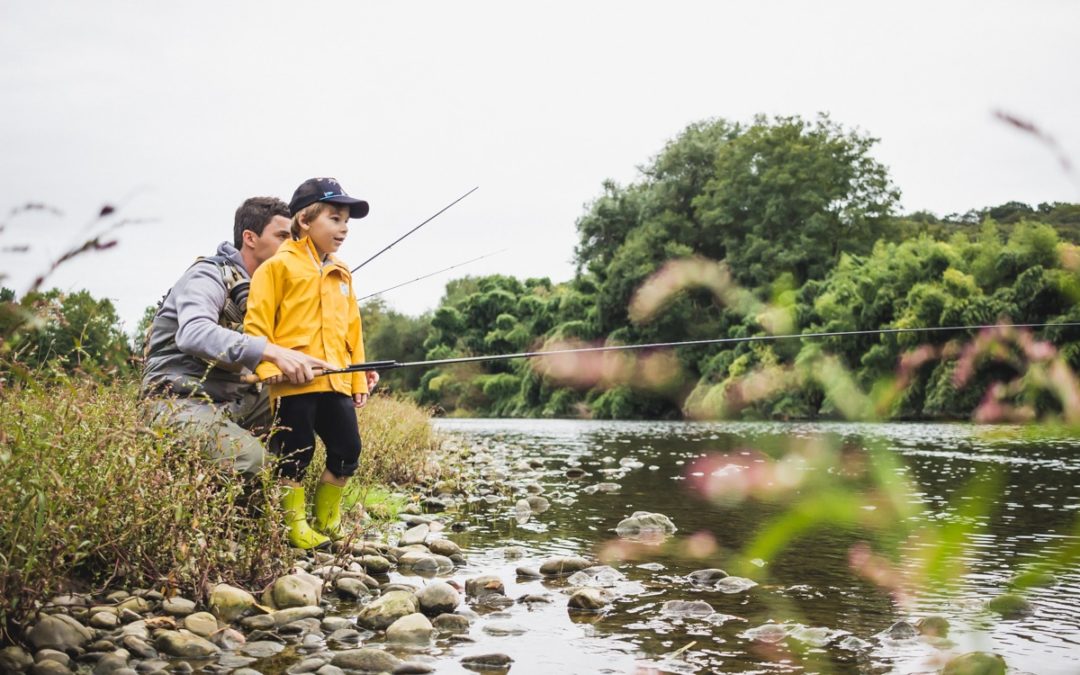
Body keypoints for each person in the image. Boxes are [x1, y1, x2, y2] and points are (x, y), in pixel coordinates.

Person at [141, 196, 334, 475]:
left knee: (307, 406)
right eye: (282, 236)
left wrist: (348, 374)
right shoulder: (208, 275)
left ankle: (292, 484)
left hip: (236, 402)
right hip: (178, 401)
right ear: (250, 238)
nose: (291, 244)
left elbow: (297, 346)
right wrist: (270, 351)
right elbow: (194, 333)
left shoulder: (273, 288)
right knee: (253, 463)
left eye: (293, 236)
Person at [244, 177, 377, 549]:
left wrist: (357, 380)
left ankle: (328, 518)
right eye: (335, 219)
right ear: (304, 221)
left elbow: (354, 331)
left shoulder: (342, 272)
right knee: (295, 453)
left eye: (346, 221)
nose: (344, 228)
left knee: (348, 449)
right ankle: (295, 526)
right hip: (293, 383)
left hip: (336, 379)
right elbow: (257, 325)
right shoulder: (276, 268)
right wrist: (270, 371)